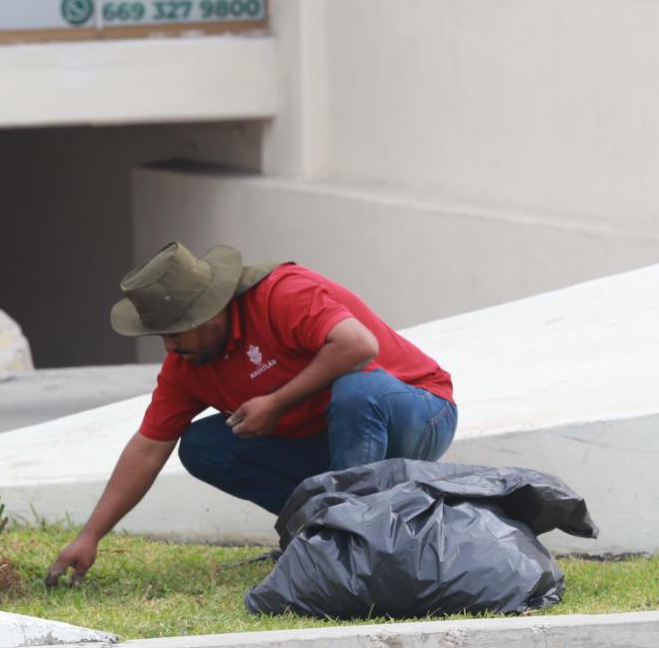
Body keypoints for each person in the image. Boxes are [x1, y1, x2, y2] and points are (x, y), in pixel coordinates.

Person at [45, 242, 456, 587]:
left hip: (416, 412)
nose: (169, 348)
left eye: (173, 333)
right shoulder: (187, 367)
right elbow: (148, 448)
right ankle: (320, 530)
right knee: (203, 446)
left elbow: (357, 346)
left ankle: (348, 543)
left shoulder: (282, 293)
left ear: (207, 314)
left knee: (357, 389)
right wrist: (90, 536)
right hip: (331, 440)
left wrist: (276, 403)